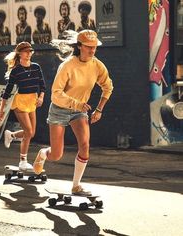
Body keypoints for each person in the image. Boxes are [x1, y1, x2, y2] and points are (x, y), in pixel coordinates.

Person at [33, 30, 113, 195]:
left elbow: (108, 87)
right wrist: (76, 103)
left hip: (79, 112)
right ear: (79, 46)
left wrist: (99, 109)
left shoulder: (97, 65)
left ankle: (76, 185)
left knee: (84, 146)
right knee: (56, 155)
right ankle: (42, 154)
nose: (92, 50)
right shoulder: (67, 65)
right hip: (59, 109)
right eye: (88, 47)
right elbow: (56, 93)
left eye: (94, 47)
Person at [0, 42, 46, 170]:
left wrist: (41, 97)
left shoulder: (36, 67)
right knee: (28, 131)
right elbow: (7, 91)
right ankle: (23, 161)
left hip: (32, 101)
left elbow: (42, 85)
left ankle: (11, 135)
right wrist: (1, 109)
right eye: (26, 51)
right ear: (20, 53)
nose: (29, 53)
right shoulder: (16, 71)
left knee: (31, 133)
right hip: (20, 102)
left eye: (30, 51)